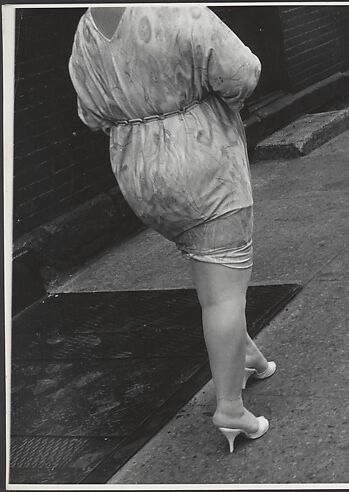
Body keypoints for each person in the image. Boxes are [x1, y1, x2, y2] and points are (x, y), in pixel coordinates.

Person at [69, 5, 275, 454]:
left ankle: (248, 358)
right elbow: (242, 71)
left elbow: (89, 113)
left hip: (139, 172)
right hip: (203, 163)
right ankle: (230, 408)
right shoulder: (173, 7)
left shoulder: (88, 25)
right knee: (224, 292)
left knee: (210, 272)